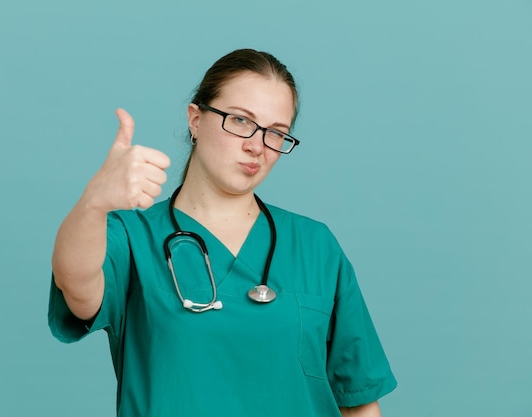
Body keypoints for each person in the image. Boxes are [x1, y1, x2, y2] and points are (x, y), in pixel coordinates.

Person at [49, 48, 397, 417]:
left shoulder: (315, 246)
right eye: (241, 121)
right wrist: (93, 203)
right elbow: (76, 284)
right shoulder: (133, 238)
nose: (256, 146)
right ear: (195, 120)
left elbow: (358, 402)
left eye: (276, 133)